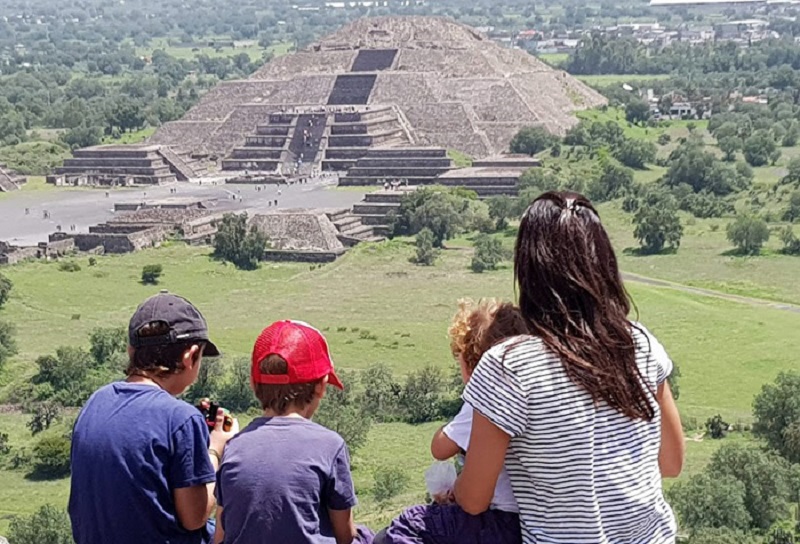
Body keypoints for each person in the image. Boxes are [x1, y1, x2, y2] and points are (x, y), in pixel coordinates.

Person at [453, 191, 685, 544]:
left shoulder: (509, 365)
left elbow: (473, 500)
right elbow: (671, 462)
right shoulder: (640, 343)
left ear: (529, 269)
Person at [69, 291, 239, 544]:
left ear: (131, 351)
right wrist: (216, 449)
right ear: (190, 356)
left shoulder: (96, 401)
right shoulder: (181, 419)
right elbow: (195, 517)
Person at [376, 300, 528, 544]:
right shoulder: (529, 394)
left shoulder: (486, 397)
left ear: (469, 362)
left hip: (498, 521)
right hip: (525, 522)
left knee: (406, 527)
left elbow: (440, 447)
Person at [213, 320, 373, 544]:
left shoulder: (234, 447)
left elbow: (220, 535)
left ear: (252, 383)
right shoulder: (330, 445)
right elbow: (344, 536)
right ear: (321, 386)